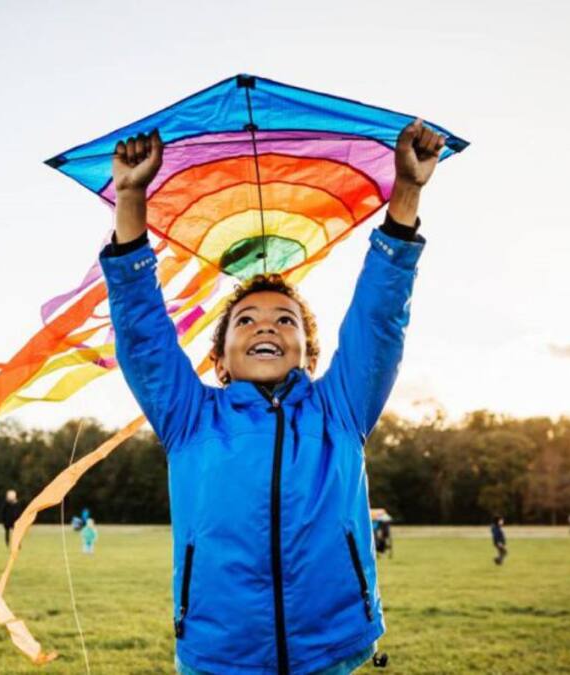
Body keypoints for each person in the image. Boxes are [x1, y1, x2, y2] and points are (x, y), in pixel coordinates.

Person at [102, 118, 444, 674]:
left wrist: (407, 191)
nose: (267, 328)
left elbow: (379, 319)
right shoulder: (190, 419)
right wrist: (132, 197)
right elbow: (142, 330)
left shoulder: (341, 410)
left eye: (286, 320)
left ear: (309, 354)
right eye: (247, 320)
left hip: (331, 651)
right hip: (219, 657)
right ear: (219, 357)